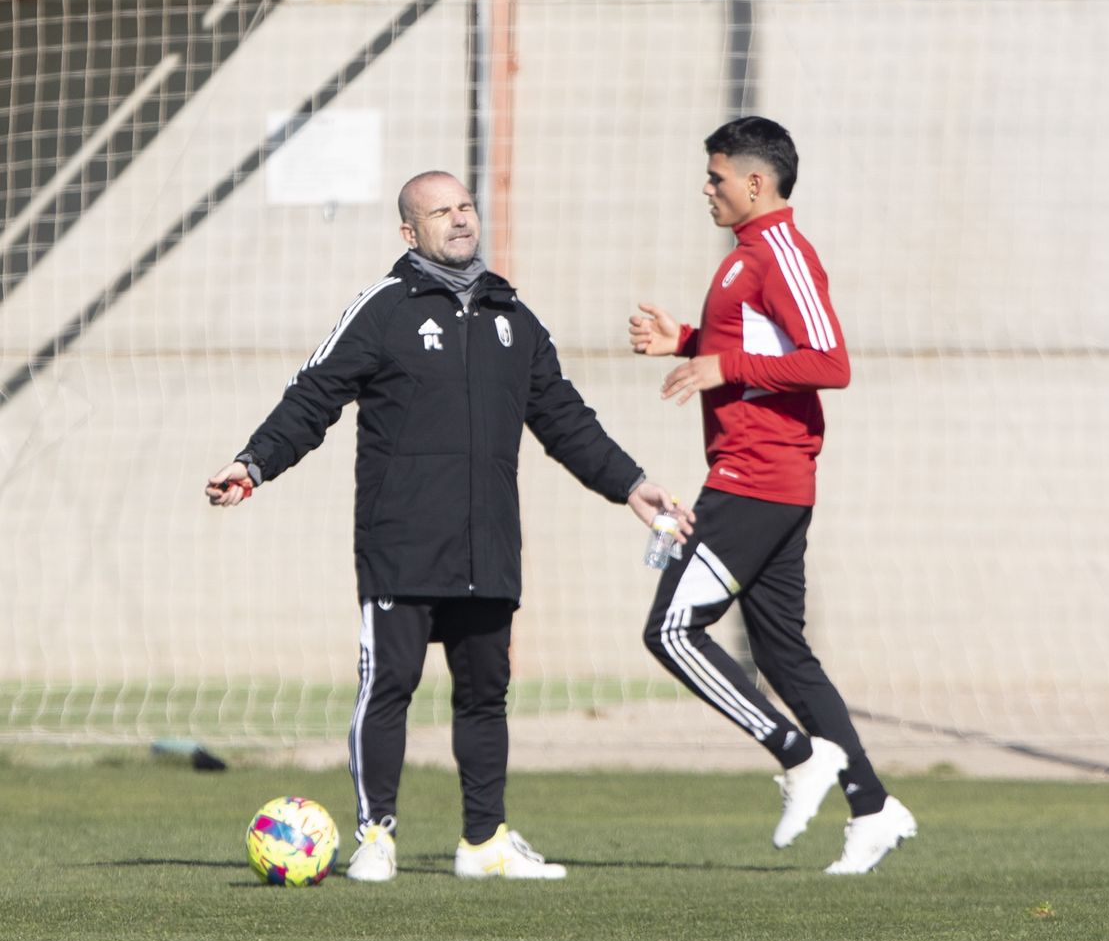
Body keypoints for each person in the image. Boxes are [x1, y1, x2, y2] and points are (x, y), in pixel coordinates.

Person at [206, 170, 690, 883]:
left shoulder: (514, 318)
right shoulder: (383, 309)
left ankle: (483, 842)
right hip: (401, 543)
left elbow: (565, 418)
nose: (461, 219)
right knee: (390, 685)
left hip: (487, 545)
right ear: (410, 232)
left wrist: (631, 484)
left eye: (465, 206)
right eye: (441, 212)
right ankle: (375, 837)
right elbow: (314, 396)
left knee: (485, 695)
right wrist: (255, 462)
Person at [627, 116, 915, 874]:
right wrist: (690, 343)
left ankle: (797, 753)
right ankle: (874, 809)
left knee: (672, 631)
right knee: (784, 656)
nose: (706, 188)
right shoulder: (743, 257)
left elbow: (831, 362)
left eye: (716, 176)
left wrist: (724, 367)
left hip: (757, 478)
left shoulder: (782, 251)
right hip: (761, 479)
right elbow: (762, 352)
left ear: (756, 182)